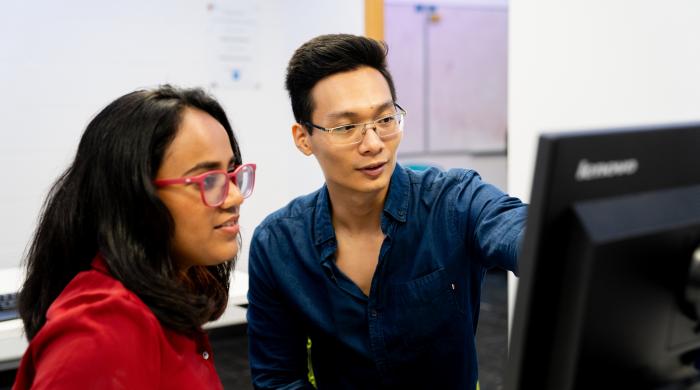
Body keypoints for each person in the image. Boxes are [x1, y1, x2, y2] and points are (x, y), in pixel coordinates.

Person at [246, 33, 527, 389]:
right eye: (347, 127)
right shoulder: (279, 244)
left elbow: (512, 225)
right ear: (303, 137)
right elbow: (278, 379)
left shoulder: (452, 201)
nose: (374, 144)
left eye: (385, 119)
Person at [13, 85, 256, 389]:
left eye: (233, 173)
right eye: (209, 179)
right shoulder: (102, 331)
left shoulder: (169, 294)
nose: (235, 197)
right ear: (134, 194)